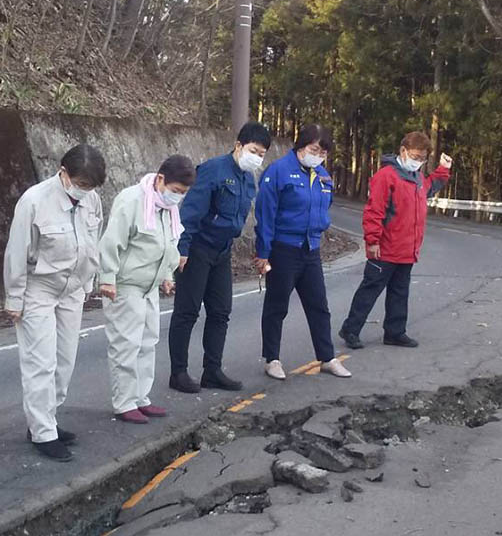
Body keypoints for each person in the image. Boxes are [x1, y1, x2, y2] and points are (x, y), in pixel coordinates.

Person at [4, 144, 107, 462]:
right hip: (39, 290)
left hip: (72, 291)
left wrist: (88, 282)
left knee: (65, 361)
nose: (84, 191)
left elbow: (94, 239)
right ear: (63, 173)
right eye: (80, 184)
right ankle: (42, 431)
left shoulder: (92, 200)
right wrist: (14, 297)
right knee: (40, 363)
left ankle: (46, 418)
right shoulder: (34, 201)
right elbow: (17, 251)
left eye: (90, 187)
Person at [167, 122, 272, 394]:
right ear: (238, 145)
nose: (257, 158)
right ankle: (178, 372)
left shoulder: (248, 179)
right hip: (198, 249)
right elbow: (190, 212)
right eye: (253, 150)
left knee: (221, 312)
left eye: (262, 154)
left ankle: (212, 370)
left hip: (222, 251)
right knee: (187, 312)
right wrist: (183, 249)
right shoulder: (213, 171)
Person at [98, 156, 196, 423]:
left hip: (150, 286)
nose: (178, 197)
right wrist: (107, 277)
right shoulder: (132, 201)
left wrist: (167, 275)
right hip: (126, 284)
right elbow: (112, 241)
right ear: (161, 179)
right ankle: (124, 402)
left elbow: (167, 245)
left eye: (183, 194)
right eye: (176, 191)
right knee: (126, 344)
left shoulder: (167, 208)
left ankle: (141, 397)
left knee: (147, 342)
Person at [255, 124, 352, 381]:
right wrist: (263, 252)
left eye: (323, 152)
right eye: (314, 150)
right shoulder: (278, 172)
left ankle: (327, 358)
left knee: (319, 305)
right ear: (300, 146)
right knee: (277, 306)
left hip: (311, 249)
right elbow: (265, 214)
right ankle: (272, 359)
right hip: (284, 249)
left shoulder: (322, 175)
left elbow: (324, 206)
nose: (318, 156)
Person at [339, 132, 452, 349]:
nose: (418, 161)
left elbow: (430, 187)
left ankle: (395, 331)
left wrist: (443, 169)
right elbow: (374, 211)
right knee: (370, 289)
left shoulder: (417, 178)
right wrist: (372, 240)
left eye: (422, 158)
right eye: (415, 156)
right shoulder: (386, 176)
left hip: (407, 249)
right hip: (384, 247)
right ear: (403, 151)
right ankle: (351, 329)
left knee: (400, 292)